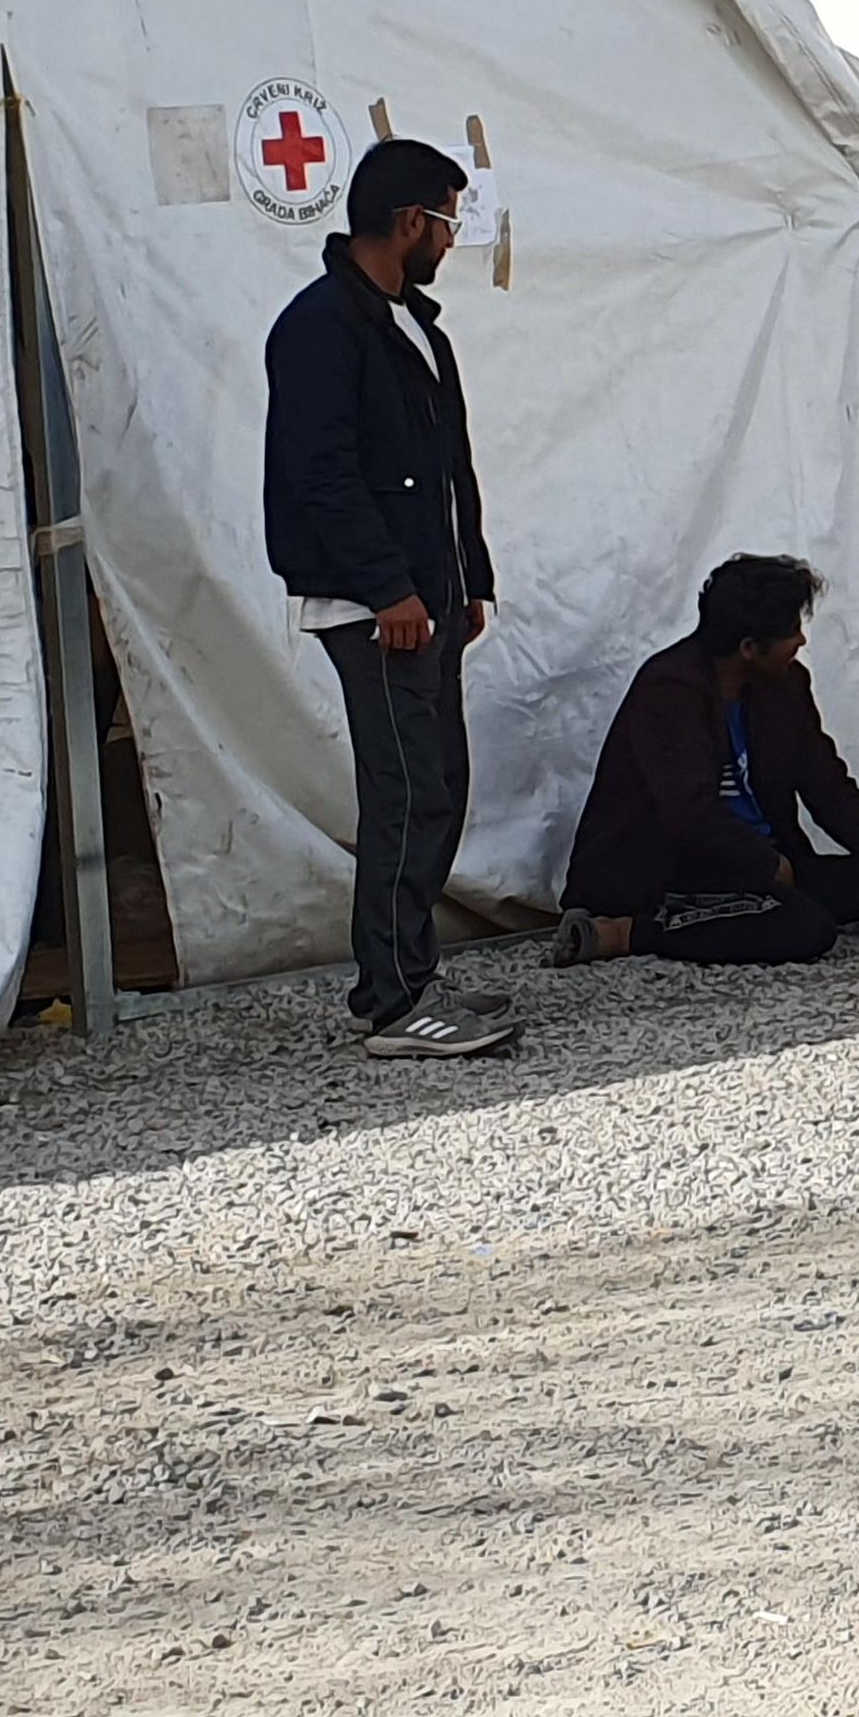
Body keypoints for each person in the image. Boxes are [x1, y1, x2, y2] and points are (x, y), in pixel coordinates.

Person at [263, 137, 514, 1059]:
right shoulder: (322, 326)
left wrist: (469, 576)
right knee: (406, 790)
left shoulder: (416, 328)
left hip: (427, 598)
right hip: (377, 609)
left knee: (438, 780)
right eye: (448, 222)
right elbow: (322, 474)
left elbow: (450, 470)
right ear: (411, 221)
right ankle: (394, 1004)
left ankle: (413, 973)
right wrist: (389, 589)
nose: (452, 241)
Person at [552, 556, 859, 965]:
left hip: (766, 865)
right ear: (749, 647)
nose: (802, 641)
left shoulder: (783, 685)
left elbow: (825, 783)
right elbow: (690, 815)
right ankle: (626, 933)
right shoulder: (669, 692)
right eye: (792, 631)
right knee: (802, 926)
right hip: (669, 877)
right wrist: (771, 868)